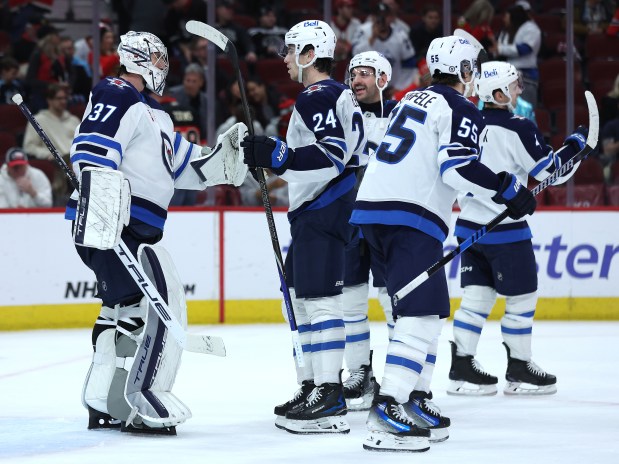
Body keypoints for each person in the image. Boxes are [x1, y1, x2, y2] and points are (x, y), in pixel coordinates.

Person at [349, 35, 537, 452]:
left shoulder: (411, 99)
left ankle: (414, 399)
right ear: (467, 71)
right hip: (409, 217)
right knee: (418, 316)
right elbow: (457, 168)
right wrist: (507, 188)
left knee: (429, 313)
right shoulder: (460, 106)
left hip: (376, 213)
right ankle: (387, 409)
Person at [63, 31, 248, 434]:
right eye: (160, 61)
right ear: (140, 60)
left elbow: (188, 168)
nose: (165, 69)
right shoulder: (116, 92)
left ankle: (104, 397)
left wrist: (229, 157)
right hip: (113, 223)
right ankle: (140, 400)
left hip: (133, 228)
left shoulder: (157, 116)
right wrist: (102, 215)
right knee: (151, 308)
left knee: (121, 311)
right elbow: (91, 152)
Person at [241, 20, 366, 435]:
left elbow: (331, 155)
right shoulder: (330, 95)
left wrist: (278, 156)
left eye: (291, 49)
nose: (284, 58)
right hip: (321, 208)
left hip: (325, 207)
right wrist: (278, 157)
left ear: (311, 53)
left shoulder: (318, 94)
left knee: (321, 302)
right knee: (300, 300)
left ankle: (329, 395)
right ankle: (313, 384)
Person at [449, 61, 588, 396]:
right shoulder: (518, 126)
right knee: (522, 298)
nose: (519, 90)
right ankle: (519, 368)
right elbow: (548, 170)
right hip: (506, 231)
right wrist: (575, 146)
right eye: (514, 85)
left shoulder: (465, 122)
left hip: (468, 229)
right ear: (497, 92)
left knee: (475, 299)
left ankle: (462, 368)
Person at [341, 51, 397, 411]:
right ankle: (360, 371)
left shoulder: (402, 115)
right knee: (350, 302)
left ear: (382, 78)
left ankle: (397, 375)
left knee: (393, 302)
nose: (356, 79)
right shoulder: (341, 113)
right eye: (353, 73)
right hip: (347, 221)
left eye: (365, 73)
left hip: (387, 219)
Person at [23, 83, 81, 205]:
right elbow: (29, 146)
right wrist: (47, 154)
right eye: (59, 98)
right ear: (49, 100)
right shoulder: (38, 120)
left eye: (65, 98)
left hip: (75, 161)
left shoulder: (73, 120)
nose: (63, 101)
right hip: (56, 163)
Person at [352, 2, 416, 94]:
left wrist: (399, 87)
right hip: (367, 88)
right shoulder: (363, 31)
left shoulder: (400, 35)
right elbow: (354, 56)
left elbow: (409, 64)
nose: (381, 19)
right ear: (372, 17)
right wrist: (372, 39)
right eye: (378, 16)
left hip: (392, 89)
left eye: (385, 16)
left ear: (391, 17)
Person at [490, 2, 541, 106]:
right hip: (506, 78)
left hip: (526, 78)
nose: (504, 19)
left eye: (506, 16)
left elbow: (525, 49)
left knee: (525, 112)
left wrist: (500, 49)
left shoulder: (531, 28)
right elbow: (498, 52)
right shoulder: (507, 31)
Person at [166, 63, 208, 141]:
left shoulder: (207, 101)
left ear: (201, 82)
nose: (190, 85)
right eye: (188, 80)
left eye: (194, 81)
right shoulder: (172, 95)